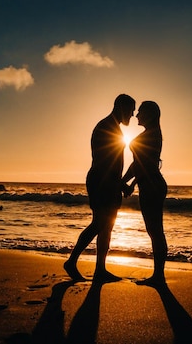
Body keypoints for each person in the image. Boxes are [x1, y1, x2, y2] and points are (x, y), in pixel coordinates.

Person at [64, 94, 136, 282]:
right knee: (99, 223)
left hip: (108, 181)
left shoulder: (112, 127)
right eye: (131, 110)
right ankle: (72, 262)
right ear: (121, 107)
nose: (133, 114)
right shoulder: (107, 127)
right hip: (102, 181)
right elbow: (106, 163)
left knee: (107, 226)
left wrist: (120, 184)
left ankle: (100, 269)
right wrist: (122, 184)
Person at [122, 101, 168, 286]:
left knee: (156, 231)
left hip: (152, 186)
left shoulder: (151, 135)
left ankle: (159, 276)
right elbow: (137, 165)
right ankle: (158, 275)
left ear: (149, 114)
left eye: (140, 111)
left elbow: (145, 166)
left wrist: (131, 183)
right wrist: (124, 181)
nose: (137, 114)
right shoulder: (150, 134)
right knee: (153, 231)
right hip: (149, 185)